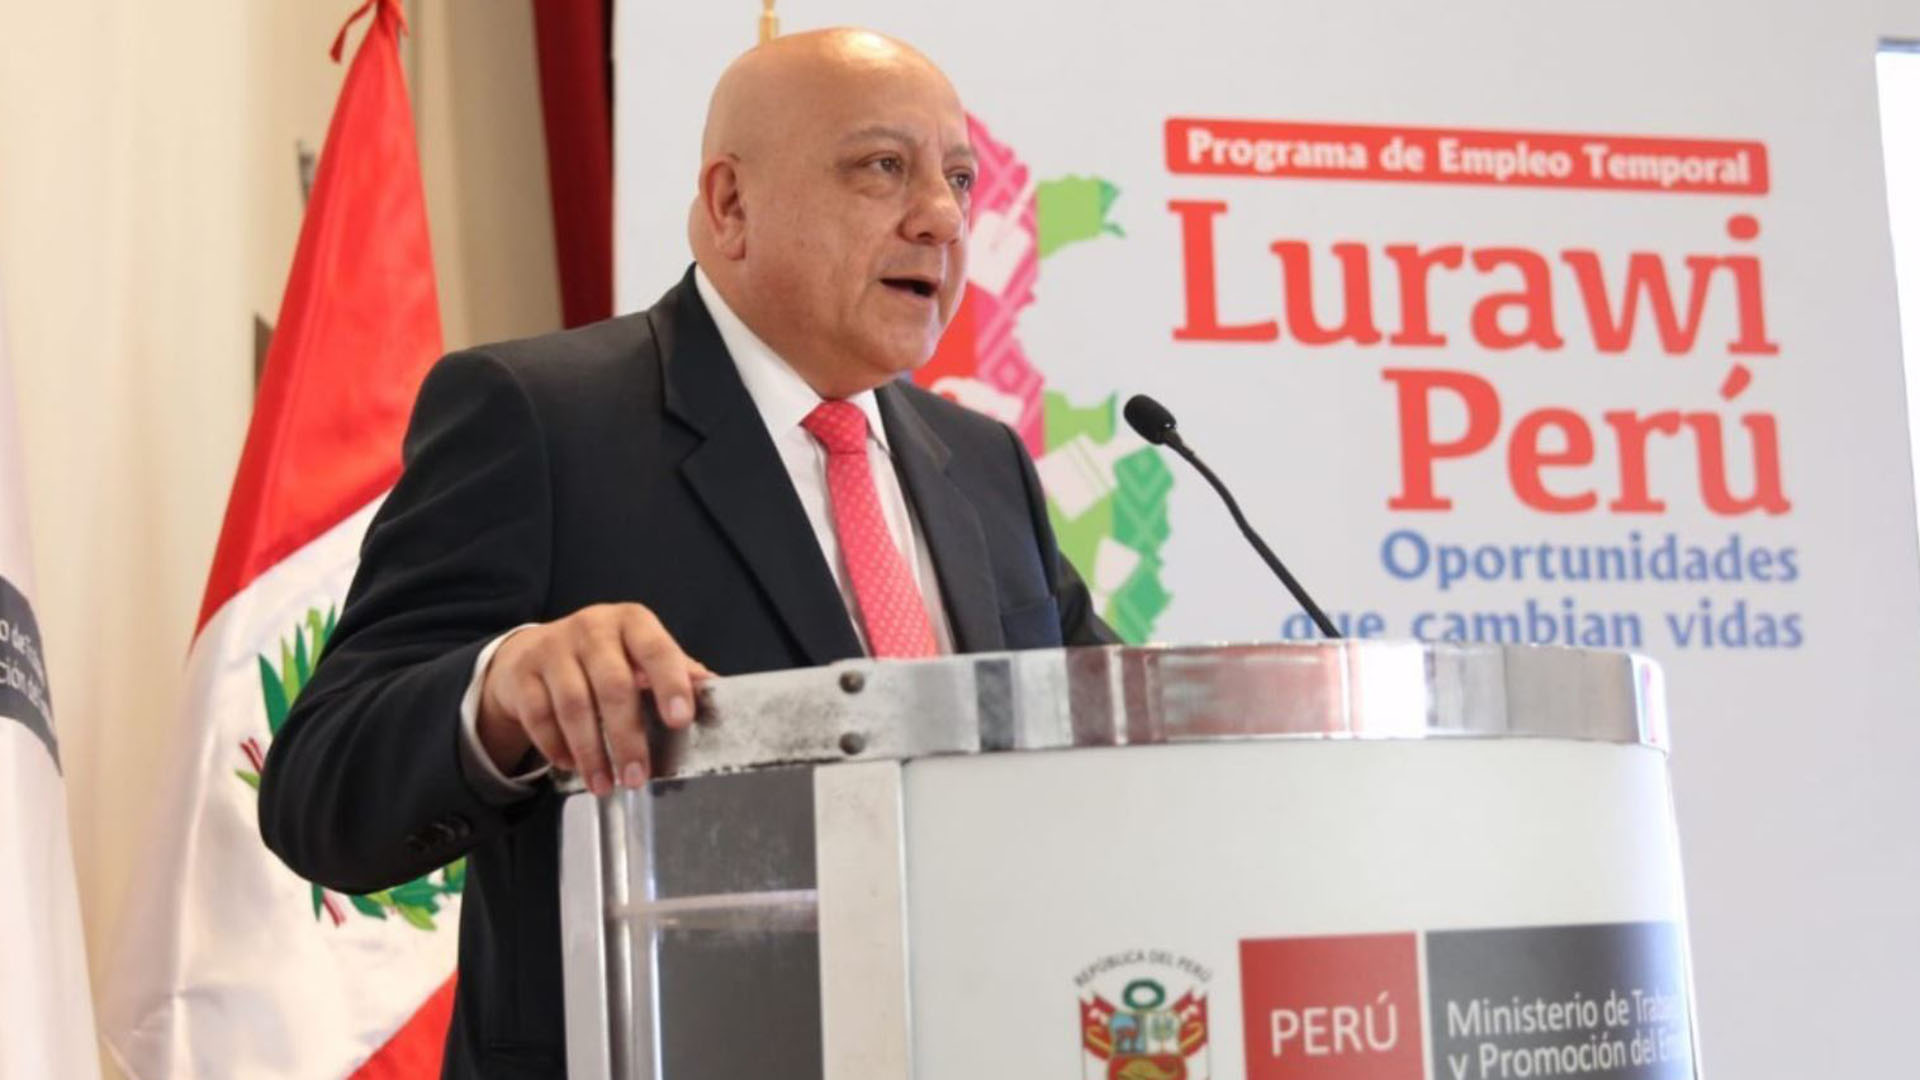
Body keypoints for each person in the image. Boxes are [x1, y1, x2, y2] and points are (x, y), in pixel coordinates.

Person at [258, 26, 1114, 1078]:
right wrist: (504, 687)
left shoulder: (981, 465)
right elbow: (321, 791)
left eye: (961, 178)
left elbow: (1108, 741)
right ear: (731, 203)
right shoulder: (540, 417)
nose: (942, 215)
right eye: (883, 167)